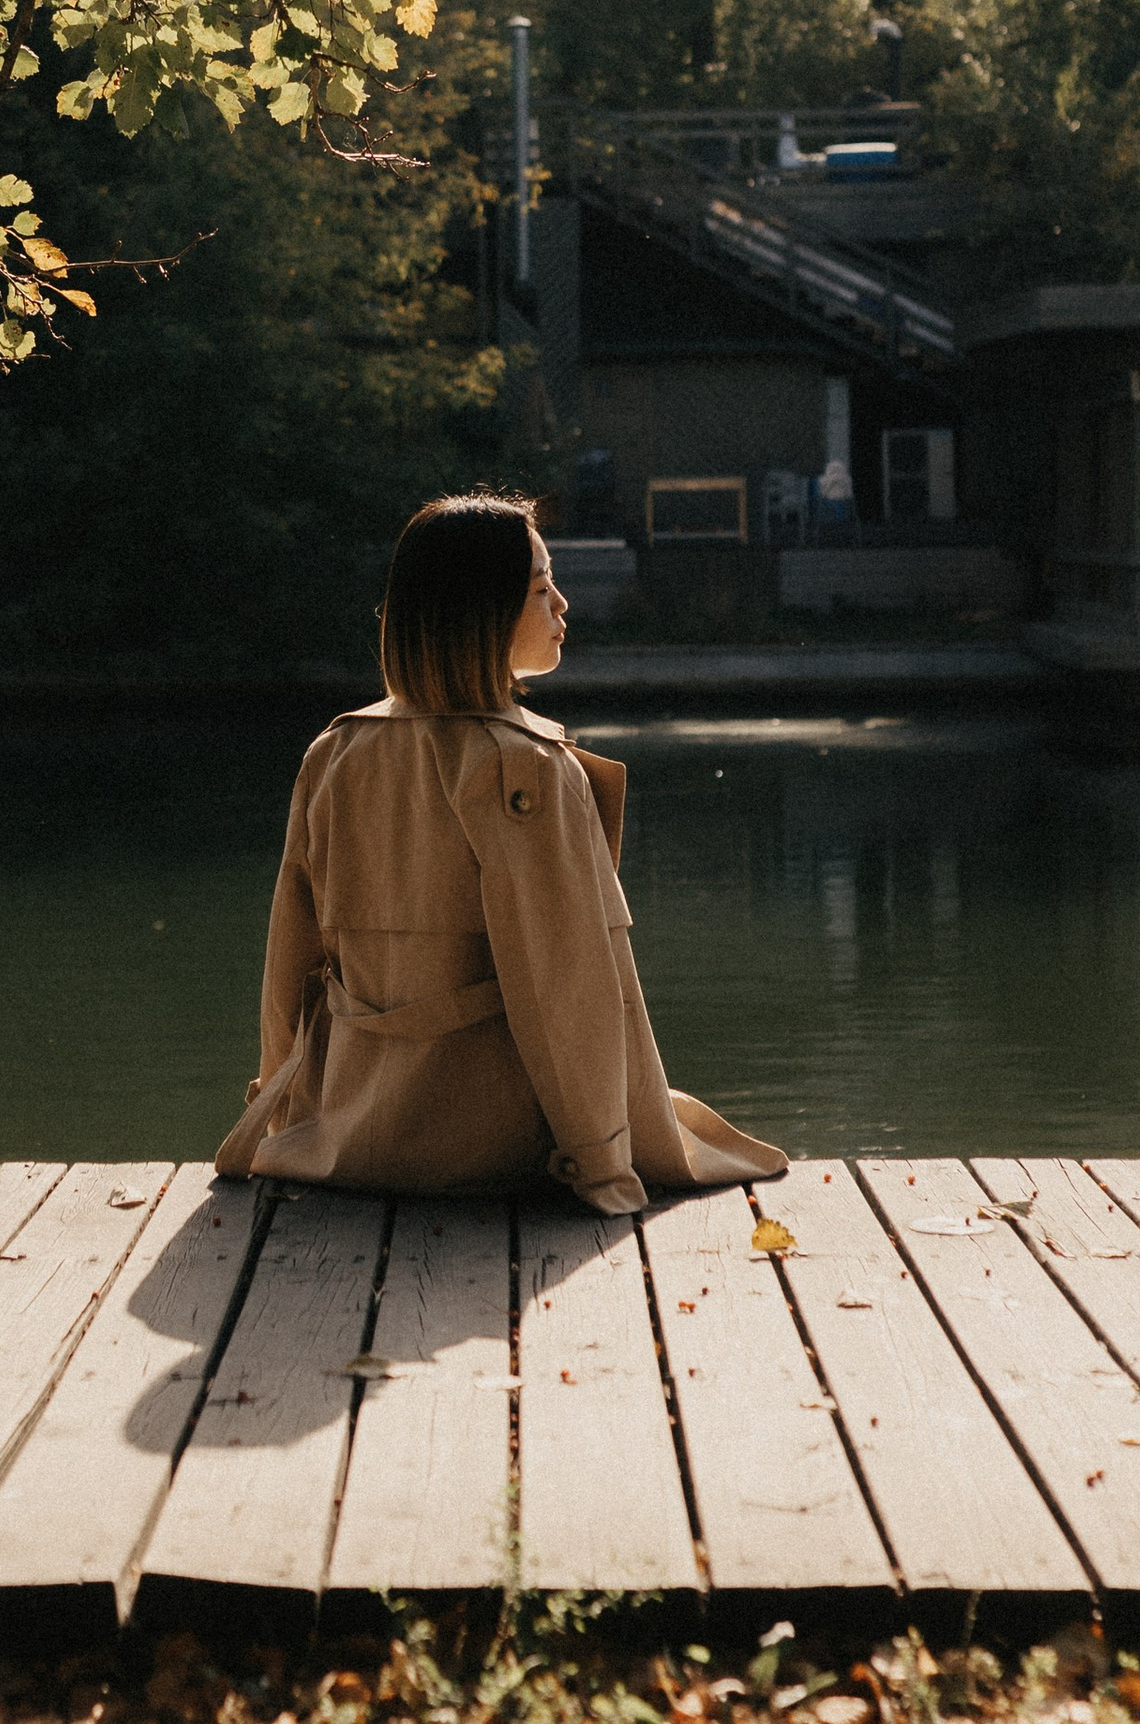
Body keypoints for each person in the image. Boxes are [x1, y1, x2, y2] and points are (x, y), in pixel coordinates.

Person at [214, 494, 788, 1219]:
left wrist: (284, 1117)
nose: (563, 603)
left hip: (352, 1135)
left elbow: (288, 967)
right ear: (480, 612)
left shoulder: (334, 751)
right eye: (541, 586)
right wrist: (604, 1162)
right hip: (489, 1150)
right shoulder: (527, 768)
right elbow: (564, 987)